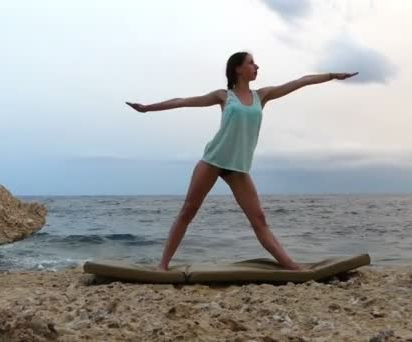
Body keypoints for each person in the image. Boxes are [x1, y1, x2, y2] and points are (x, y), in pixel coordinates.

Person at [126, 52, 357, 271]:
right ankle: (162, 266)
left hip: (238, 168)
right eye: (251, 62)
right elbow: (183, 101)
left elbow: (301, 81)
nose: (257, 66)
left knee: (259, 219)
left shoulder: (262, 96)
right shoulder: (223, 96)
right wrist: (147, 109)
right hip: (213, 160)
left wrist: (332, 76)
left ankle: (292, 267)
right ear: (238, 69)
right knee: (188, 211)